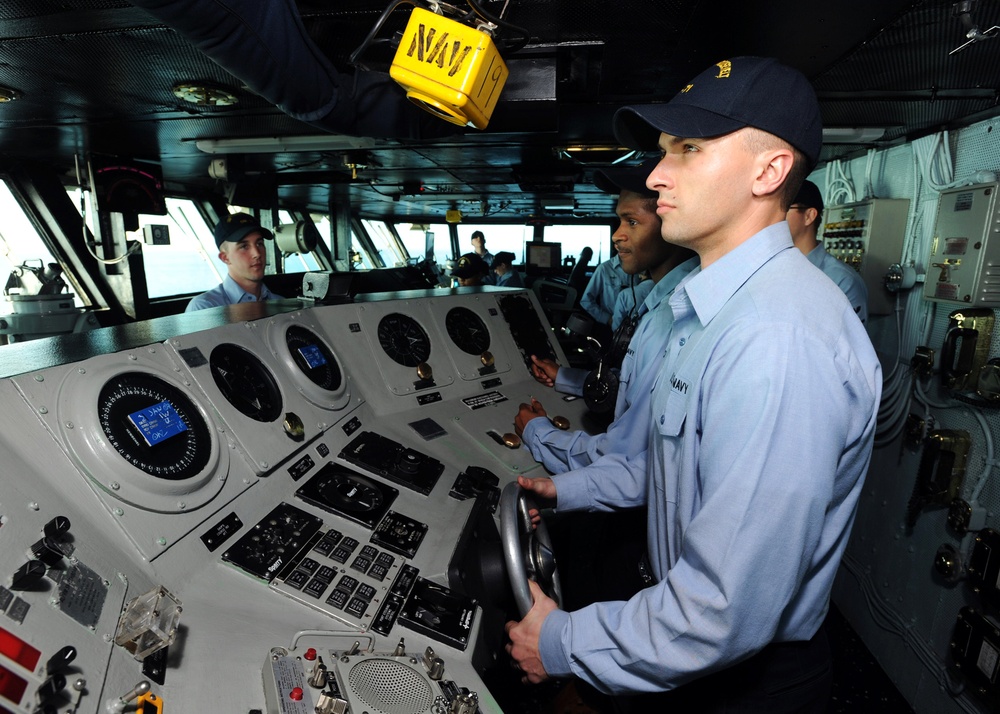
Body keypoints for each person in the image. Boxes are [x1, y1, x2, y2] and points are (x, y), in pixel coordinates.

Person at [505, 56, 882, 712]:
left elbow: (723, 608)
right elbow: (664, 470)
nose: (656, 176)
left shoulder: (776, 338)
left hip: (741, 677)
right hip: (680, 635)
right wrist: (565, 489)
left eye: (689, 150)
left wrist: (565, 641)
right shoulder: (711, 315)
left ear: (770, 172)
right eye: (661, 151)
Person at [517, 159, 697, 474]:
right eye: (618, 222)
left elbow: (623, 455)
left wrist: (539, 433)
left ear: (671, 219)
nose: (617, 235)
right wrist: (565, 377)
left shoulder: (673, 314)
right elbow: (636, 391)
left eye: (631, 222)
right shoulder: (659, 301)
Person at [787, 179, 869, 323]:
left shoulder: (842, 281)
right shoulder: (775, 270)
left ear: (809, 216)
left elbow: (850, 342)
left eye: (784, 208)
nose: (774, 218)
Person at [186, 212, 284, 312]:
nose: (257, 254)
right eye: (244, 246)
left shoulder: (281, 304)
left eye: (259, 244)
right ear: (225, 258)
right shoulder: (205, 308)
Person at [579, 252, 628, 325]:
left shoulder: (640, 269)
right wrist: (607, 318)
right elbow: (586, 301)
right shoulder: (604, 268)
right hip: (612, 326)